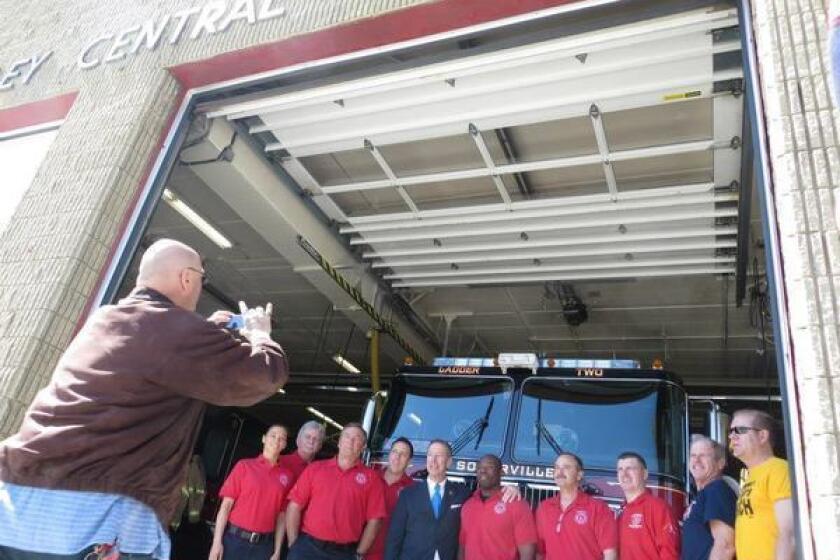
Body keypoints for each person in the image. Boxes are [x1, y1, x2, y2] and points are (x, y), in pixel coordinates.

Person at [0, 238, 289, 560]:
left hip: (14, 503)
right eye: (202, 279)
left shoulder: (105, 318)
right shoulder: (178, 331)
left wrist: (204, 331)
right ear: (187, 278)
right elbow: (265, 374)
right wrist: (260, 333)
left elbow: (153, 359)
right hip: (95, 524)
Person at [385, 440, 521, 560]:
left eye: (439, 456)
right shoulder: (408, 494)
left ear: (449, 462)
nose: (433, 460)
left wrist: (508, 489)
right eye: (430, 455)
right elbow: (394, 538)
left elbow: (486, 496)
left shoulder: (463, 493)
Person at [286, 423, 386, 559]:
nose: (350, 441)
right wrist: (294, 544)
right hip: (307, 548)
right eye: (347, 436)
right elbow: (294, 506)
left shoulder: (372, 478)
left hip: (343, 553)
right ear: (339, 442)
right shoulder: (315, 469)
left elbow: (375, 521)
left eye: (357, 438)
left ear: (363, 447)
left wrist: (359, 554)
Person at [210, 425, 293, 560]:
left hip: (263, 547)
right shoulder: (244, 466)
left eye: (281, 438)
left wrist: (277, 551)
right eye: (273, 435)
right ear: (264, 439)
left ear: (284, 445)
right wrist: (216, 543)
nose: (277, 440)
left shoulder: (287, 476)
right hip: (234, 541)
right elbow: (225, 507)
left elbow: (282, 517)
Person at [729, 409, 794, 560]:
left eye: (740, 430)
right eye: (731, 431)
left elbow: (789, 533)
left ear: (762, 436)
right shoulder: (752, 476)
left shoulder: (778, 469)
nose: (732, 436)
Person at [535, 452, 617, 560]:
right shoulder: (544, 508)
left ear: (579, 475)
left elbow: (610, 554)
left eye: (566, 467)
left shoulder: (598, 508)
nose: (560, 472)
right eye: (556, 467)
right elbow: (540, 553)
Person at [458, 454, 537, 560]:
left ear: (501, 472)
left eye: (489, 467)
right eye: (479, 468)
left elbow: (528, 553)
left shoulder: (517, 504)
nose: (483, 470)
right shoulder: (468, 506)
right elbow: (462, 546)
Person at [616, 452, 680, 560]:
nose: (624, 474)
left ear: (645, 474)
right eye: (620, 469)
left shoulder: (658, 508)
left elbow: (669, 553)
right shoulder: (621, 512)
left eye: (630, 468)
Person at [682, 435, 736, 560]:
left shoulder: (716, 490)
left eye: (703, 456)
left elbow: (726, 546)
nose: (696, 460)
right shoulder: (703, 494)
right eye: (693, 456)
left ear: (720, 463)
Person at [365, 437, 415, 560]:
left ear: (409, 461)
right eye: (394, 452)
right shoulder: (370, 479)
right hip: (362, 552)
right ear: (389, 454)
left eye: (403, 454)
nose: (397, 457)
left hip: (394, 555)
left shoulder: (414, 490)